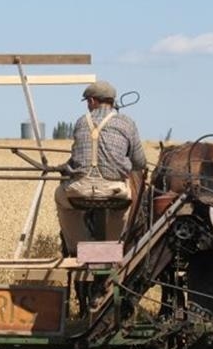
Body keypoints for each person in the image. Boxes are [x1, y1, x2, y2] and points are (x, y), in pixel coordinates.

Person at [55, 80, 146, 256]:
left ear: (92, 101)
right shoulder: (127, 123)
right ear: (112, 101)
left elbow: (76, 158)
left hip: (79, 191)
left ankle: (77, 248)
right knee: (121, 208)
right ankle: (111, 249)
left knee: (60, 197)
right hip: (114, 190)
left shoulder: (81, 122)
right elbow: (140, 163)